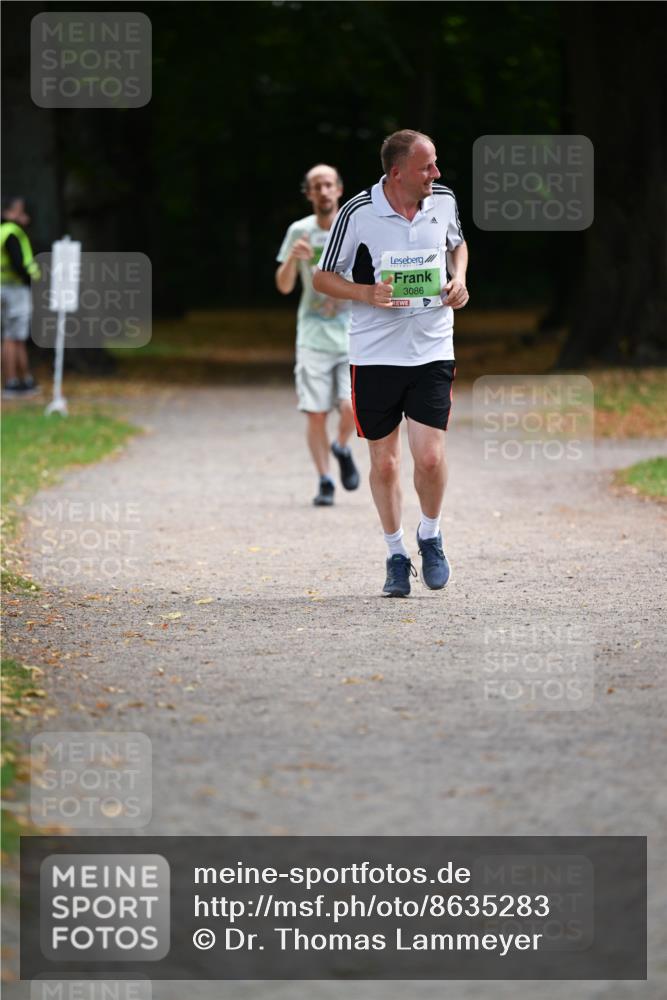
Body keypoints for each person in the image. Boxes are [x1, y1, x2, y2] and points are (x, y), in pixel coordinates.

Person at [313, 130, 469, 596]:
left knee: (431, 455)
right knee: (383, 465)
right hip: (375, 353)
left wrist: (458, 279)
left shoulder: (442, 200)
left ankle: (431, 534)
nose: (436, 174)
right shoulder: (359, 211)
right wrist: (366, 293)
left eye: (436, 164)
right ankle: (396, 554)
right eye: (427, 166)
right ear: (397, 172)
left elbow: (457, 244)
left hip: (432, 347)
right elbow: (323, 277)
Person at [276, 164, 360, 506]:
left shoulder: (355, 227)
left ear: (339, 189)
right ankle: (325, 480)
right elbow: (283, 287)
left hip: (353, 333)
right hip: (312, 335)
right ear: (308, 193)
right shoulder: (300, 231)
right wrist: (290, 262)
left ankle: (341, 446)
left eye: (329, 185)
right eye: (316, 186)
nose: (323, 191)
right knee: (315, 412)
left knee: (350, 406)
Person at [1, 195, 41, 398]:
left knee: (14, 336)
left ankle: (23, 380)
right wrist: (30, 277)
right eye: (20, 211)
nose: (24, 215)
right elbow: (19, 263)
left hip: (4, 288)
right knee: (12, 337)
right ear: (10, 211)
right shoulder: (12, 232)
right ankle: (11, 381)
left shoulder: (3, 231)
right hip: (14, 289)